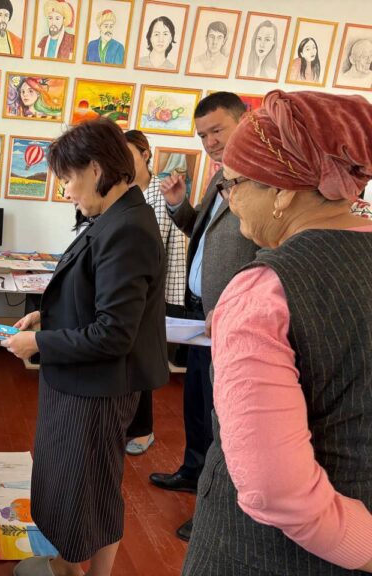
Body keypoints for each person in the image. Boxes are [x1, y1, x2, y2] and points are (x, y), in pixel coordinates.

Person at [184, 90, 372, 575]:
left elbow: (275, 489)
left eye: (233, 185)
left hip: (267, 554)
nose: (231, 201)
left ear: (283, 192)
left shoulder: (264, 292)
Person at [2, 118, 167, 576]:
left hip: (98, 388)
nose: (66, 192)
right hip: (84, 381)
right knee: (82, 486)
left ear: (95, 169)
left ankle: (76, 570)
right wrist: (45, 317)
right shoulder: (114, 217)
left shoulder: (127, 227)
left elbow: (113, 332)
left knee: (84, 490)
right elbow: (96, 296)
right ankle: (72, 566)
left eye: (68, 179)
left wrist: (39, 342)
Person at [150, 92, 260, 542]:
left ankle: (215, 506)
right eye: (203, 136)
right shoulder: (220, 176)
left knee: (224, 416)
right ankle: (194, 472)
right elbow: (205, 235)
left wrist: (238, 304)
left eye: (217, 130)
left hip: (231, 316)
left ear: (244, 121)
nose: (211, 142)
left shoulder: (262, 180)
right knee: (196, 404)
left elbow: (268, 251)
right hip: (200, 311)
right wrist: (180, 205)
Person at [123, 130, 187, 456]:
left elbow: (170, 247)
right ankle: (126, 424)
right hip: (125, 287)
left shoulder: (162, 191)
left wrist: (171, 298)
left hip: (152, 290)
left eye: (128, 153)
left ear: (145, 154)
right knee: (124, 356)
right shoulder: (121, 190)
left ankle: (142, 429)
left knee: (141, 358)